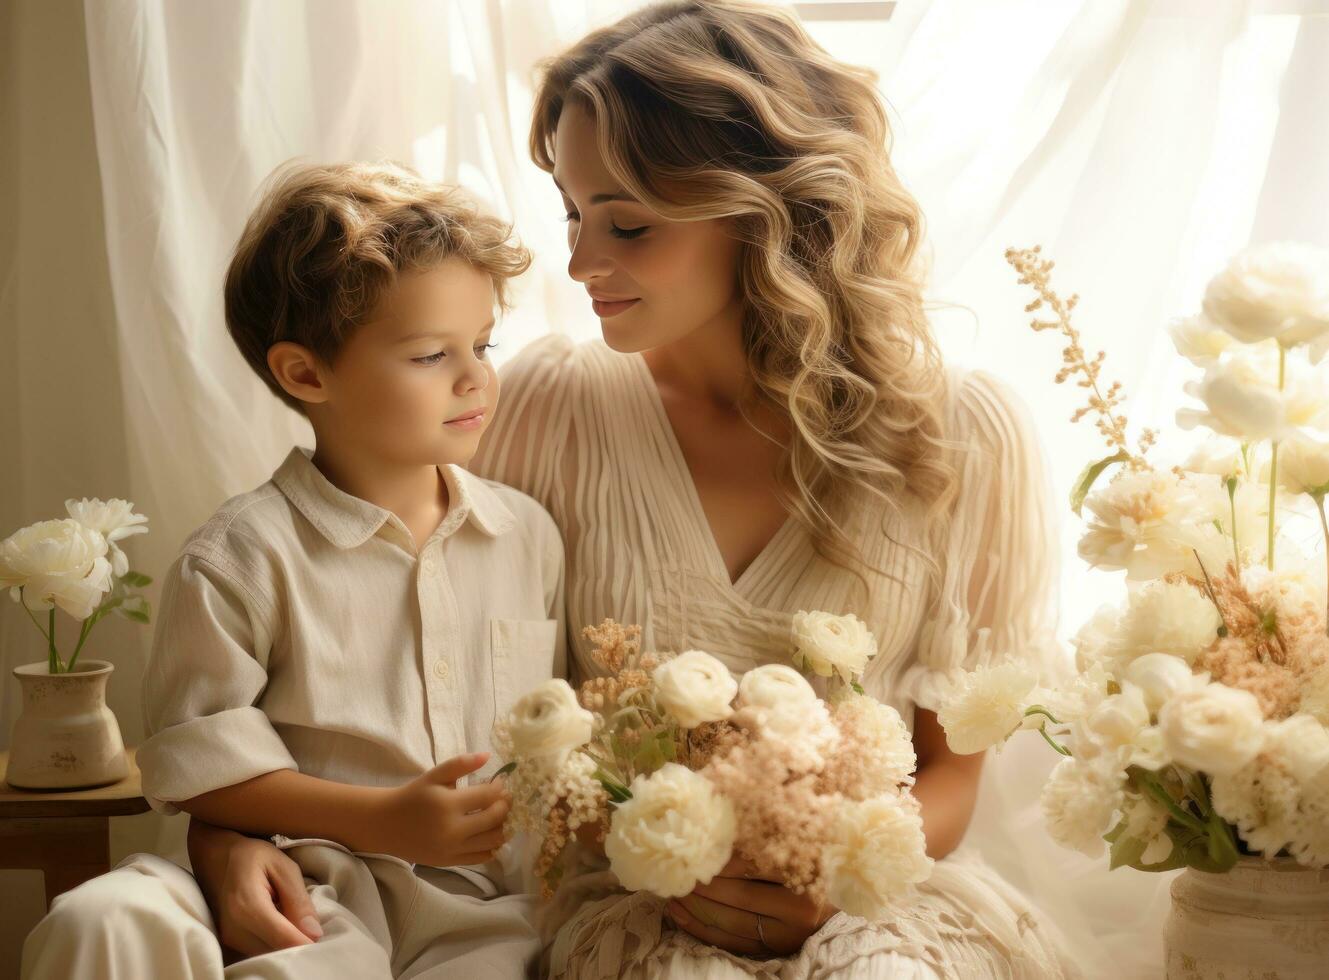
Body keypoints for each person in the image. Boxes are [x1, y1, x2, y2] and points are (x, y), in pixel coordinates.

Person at [188, 2, 1084, 976]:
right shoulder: (547, 404)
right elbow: (379, 650)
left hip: (881, 892)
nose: (578, 262)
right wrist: (229, 829)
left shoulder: (959, 437)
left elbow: (952, 770)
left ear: (762, 209)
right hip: (636, 902)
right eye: (573, 212)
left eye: (627, 222)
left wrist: (837, 872)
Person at [22, 161, 566, 979]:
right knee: (101, 917)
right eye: (428, 355)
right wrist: (382, 820)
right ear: (306, 375)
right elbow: (198, 769)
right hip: (303, 884)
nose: (474, 377)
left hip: (480, 912)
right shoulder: (239, 556)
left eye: (481, 345)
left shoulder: (526, 535)